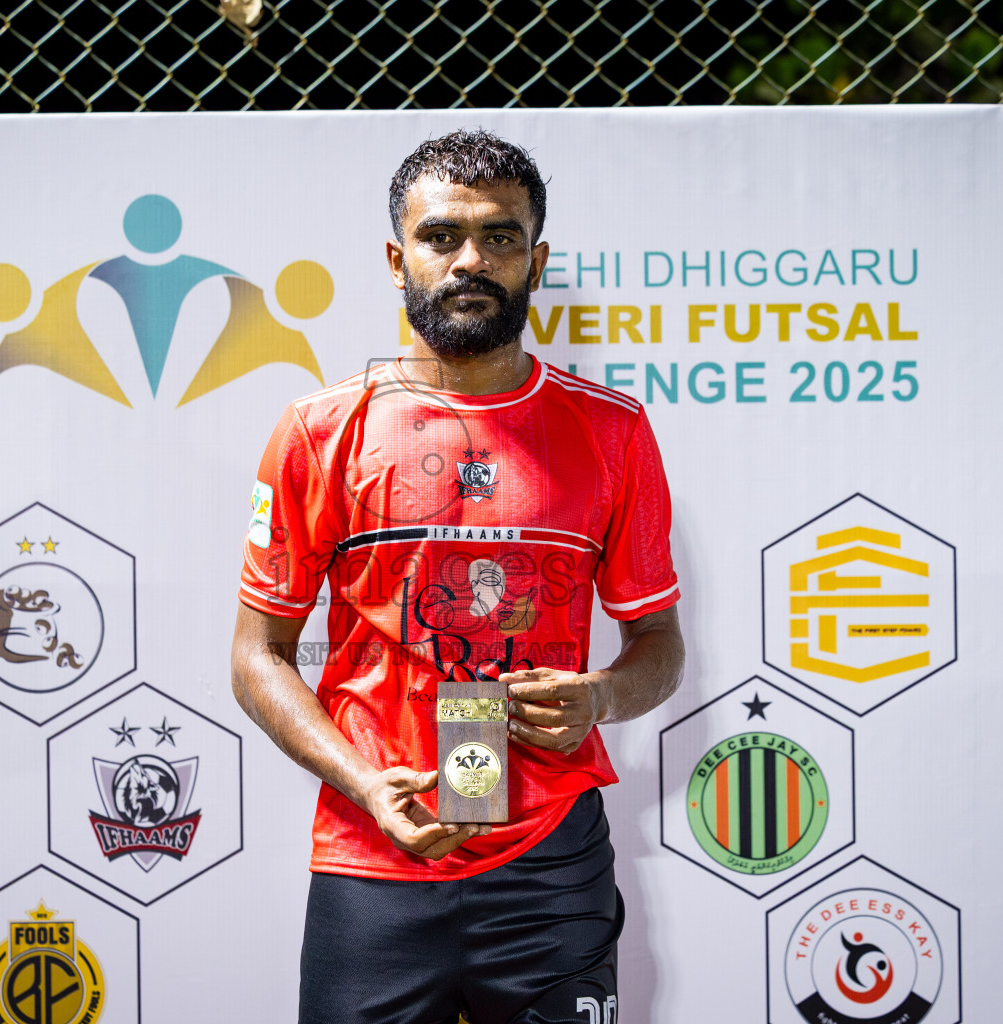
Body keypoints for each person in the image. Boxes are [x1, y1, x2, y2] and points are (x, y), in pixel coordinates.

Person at [231, 130, 686, 1024]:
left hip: (550, 862)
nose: (471, 260)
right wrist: (364, 783)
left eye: (501, 237)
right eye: (442, 237)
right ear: (399, 259)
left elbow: (659, 645)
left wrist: (598, 698)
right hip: (375, 854)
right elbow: (258, 657)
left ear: (536, 260)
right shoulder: (321, 430)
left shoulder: (614, 431)